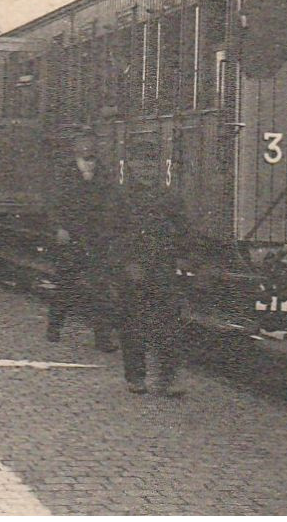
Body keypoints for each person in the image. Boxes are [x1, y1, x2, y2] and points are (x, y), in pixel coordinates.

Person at [105, 156, 190, 395]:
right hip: (133, 270)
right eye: (141, 164)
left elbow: (183, 230)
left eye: (151, 165)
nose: (146, 170)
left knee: (168, 325)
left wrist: (184, 256)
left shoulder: (170, 197)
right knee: (133, 324)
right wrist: (126, 263)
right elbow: (112, 234)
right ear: (131, 166)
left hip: (162, 268)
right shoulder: (121, 198)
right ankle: (136, 377)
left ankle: (168, 378)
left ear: (159, 168)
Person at [47, 139, 117, 350]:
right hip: (72, 239)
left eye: (92, 159)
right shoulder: (66, 177)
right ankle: (54, 327)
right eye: (85, 159)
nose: (90, 164)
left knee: (100, 289)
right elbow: (56, 204)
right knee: (65, 286)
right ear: (77, 158)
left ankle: (102, 338)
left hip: (95, 240)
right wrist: (60, 227)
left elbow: (110, 205)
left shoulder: (103, 177)